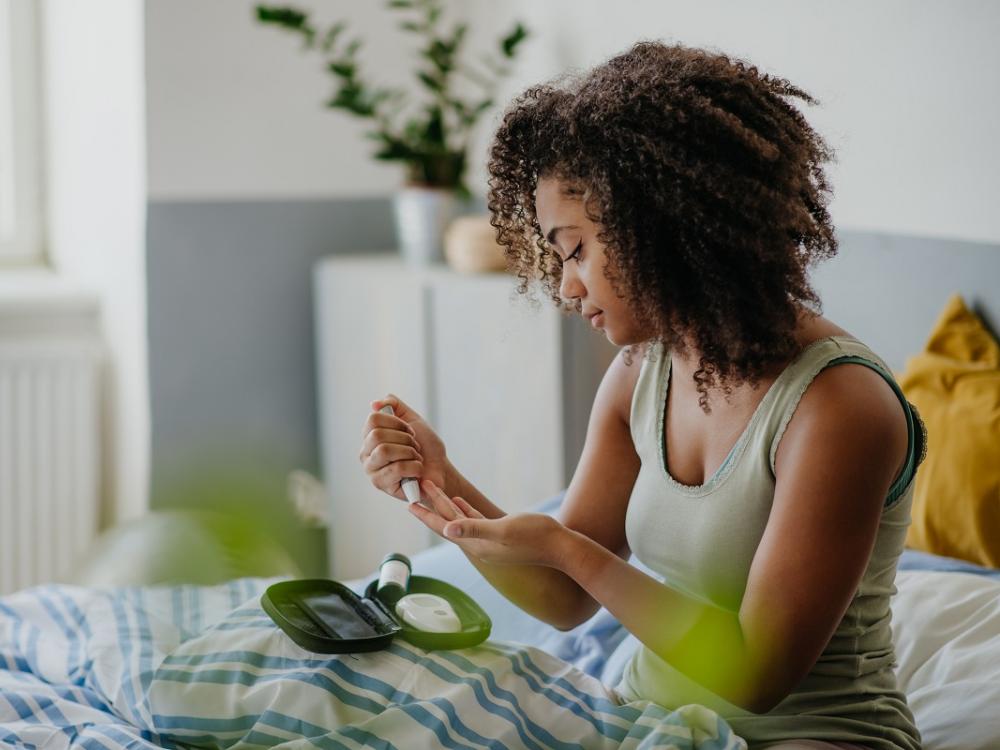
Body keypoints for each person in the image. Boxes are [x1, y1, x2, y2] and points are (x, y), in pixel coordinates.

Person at [361, 41, 925, 750]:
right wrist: (444, 488)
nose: (566, 289)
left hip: (811, 733)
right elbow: (564, 602)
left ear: (656, 227)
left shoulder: (840, 406)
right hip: (649, 717)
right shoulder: (639, 375)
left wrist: (571, 551)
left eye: (574, 251)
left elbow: (757, 672)